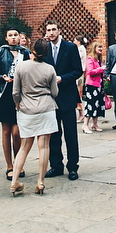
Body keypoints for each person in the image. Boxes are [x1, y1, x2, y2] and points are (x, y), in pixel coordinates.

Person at [10, 38, 60, 196]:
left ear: (32, 50)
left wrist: (17, 103)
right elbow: (55, 92)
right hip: (46, 109)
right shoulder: (49, 69)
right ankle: (40, 181)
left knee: (24, 147)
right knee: (44, 146)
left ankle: (14, 182)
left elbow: (15, 92)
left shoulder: (22, 66)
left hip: (27, 110)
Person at [43, 20, 83, 180]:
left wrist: (62, 78)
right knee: (53, 134)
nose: (51, 33)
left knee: (70, 134)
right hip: (50, 98)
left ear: (59, 31)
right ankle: (56, 165)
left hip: (67, 95)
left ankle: (73, 166)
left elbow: (77, 71)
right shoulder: (44, 49)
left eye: (54, 30)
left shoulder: (70, 47)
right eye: (48, 30)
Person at [0, 28, 30, 180]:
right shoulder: (1, 51)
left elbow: (29, 71)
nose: (14, 38)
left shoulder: (24, 52)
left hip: (19, 94)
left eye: (16, 35)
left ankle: (18, 161)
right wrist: (2, 78)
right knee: (6, 131)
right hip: (4, 93)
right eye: (10, 35)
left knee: (17, 132)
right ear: (6, 38)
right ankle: (9, 165)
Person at [81, 41, 105, 134]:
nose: (101, 49)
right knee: (90, 105)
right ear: (94, 49)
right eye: (99, 47)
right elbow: (90, 71)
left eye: (101, 47)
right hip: (92, 86)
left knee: (98, 105)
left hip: (99, 85)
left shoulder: (99, 59)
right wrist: (101, 69)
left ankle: (95, 124)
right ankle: (85, 125)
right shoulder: (90, 59)